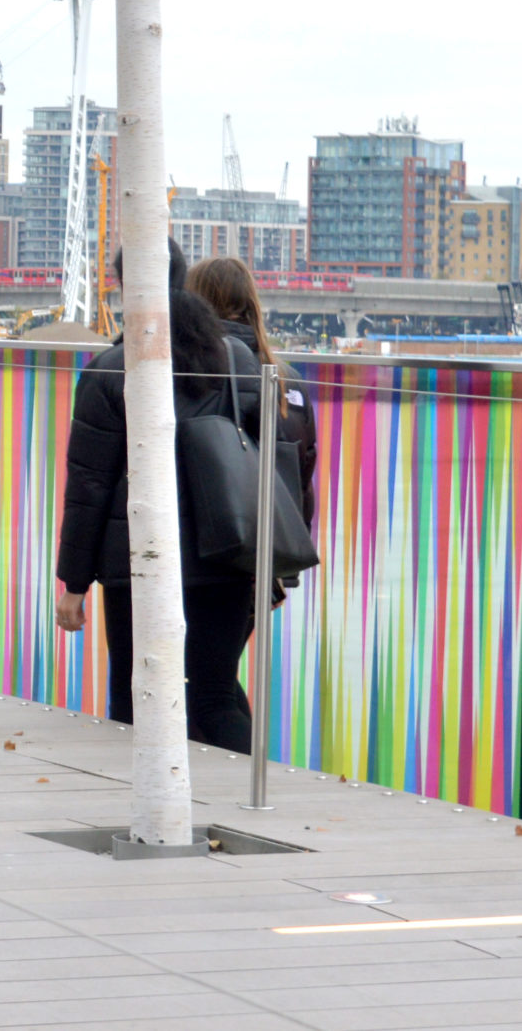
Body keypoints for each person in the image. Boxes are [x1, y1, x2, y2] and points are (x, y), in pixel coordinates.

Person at [53, 239, 267, 754]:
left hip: (141, 560)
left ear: (123, 286)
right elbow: (268, 460)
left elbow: (90, 485)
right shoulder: (238, 359)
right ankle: (257, 793)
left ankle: (150, 808)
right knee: (216, 695)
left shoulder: (112, 368)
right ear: (181, 276)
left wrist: (74, 585)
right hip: (230, 553)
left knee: (136, 699)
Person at [186, 255, 319, 538]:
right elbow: (303, 481)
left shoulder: (187, 375)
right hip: (272, 548)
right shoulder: (289, 381)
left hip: (205, 552)